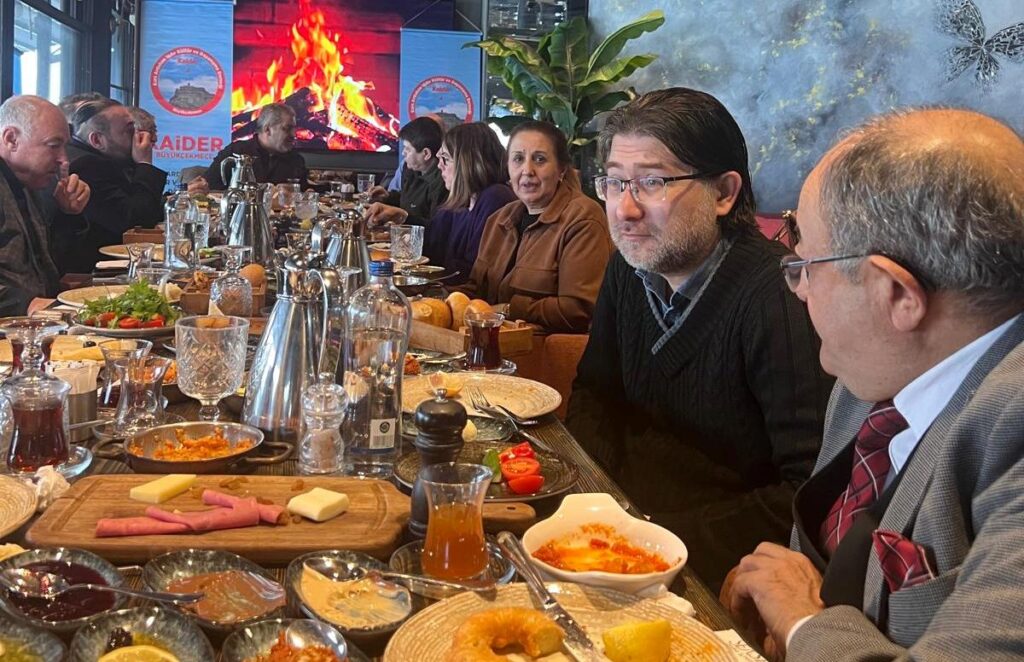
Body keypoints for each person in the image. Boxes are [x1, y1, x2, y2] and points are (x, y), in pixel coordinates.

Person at [722, 108, 1024, 661]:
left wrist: (804, 625)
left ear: (897, 294)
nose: (798, 288)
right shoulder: (872, 375)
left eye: (807, 265)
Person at [566, 88, 831, 592]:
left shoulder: (776, 299)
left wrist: (650, 539)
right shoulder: (629, 269)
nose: (625, 209)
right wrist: (599, 504)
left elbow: (806, 492)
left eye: (652, 182)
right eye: (615, 182)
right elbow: (595, 393)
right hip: (612, 538)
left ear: (724, 193)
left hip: (709, 568)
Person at [460, 120, 612, 334]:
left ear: (561, 170)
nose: (527, 170)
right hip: (491, 344)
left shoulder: (583, 218)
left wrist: (508, 309)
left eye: (539, 159)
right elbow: (476, 290)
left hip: (547, 349)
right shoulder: (499, 219)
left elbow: (578, 311)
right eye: (518, 159)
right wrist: (436, 296)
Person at [0, 95, 90, 315]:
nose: (64, 159)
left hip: (41, 321)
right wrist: (27, 305)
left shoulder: (29, 182)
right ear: (11, 139)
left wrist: (68, 215)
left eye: (64, 146)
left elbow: (53, 269)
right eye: (53, 145)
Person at [57, 98, 167, 274]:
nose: (140, 137)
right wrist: (145, 164)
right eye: (130, 130)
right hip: (95, 270)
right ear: (97, 140)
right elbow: (138, 221)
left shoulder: (105, 160)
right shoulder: (88, 166)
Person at [421, 122, 516, 283]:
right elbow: (430, 244)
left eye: (445, 159)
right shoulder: (462, 201)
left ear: (468, 162)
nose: (439, 165)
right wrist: (401, 219)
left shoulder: (496, 197)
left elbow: (471, 271)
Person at [194, 103, 307, 192]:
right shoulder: (235, 152)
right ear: (267, 129)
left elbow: (304, 194)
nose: (294, 134)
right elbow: (207, 187)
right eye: (287, 128)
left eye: (294, 128)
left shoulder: (296, 160)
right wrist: (198, 189)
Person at [364, 116, 447, 227]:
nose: (403, 153)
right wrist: (387, 197)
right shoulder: (410, 169)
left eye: (408, 149)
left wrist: (401, 217)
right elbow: (408, 201)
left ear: (426, 154)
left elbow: (436, 228)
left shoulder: (443, 182)